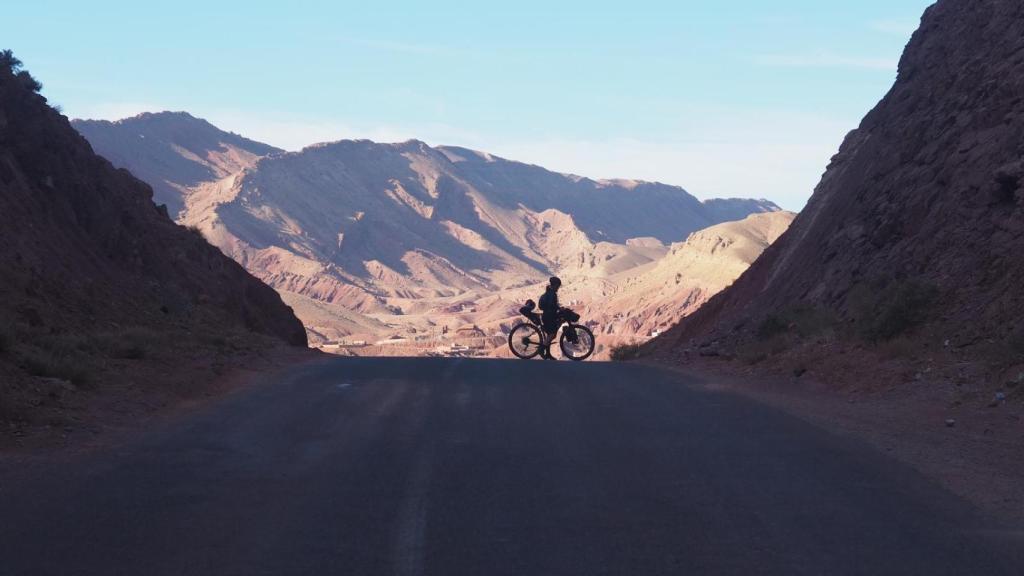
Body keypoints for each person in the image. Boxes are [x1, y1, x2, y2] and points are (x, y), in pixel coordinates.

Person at [538, 276, 562, 360]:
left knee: (550, 335)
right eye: (558, 286)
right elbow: (552, 305)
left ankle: (548, 354)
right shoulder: (552, 293)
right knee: (552, 334)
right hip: (549, 316)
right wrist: (559, 309)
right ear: (554, 285)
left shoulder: (549, 292)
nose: (558, 288)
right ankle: (541, 349)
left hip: (547, 315)